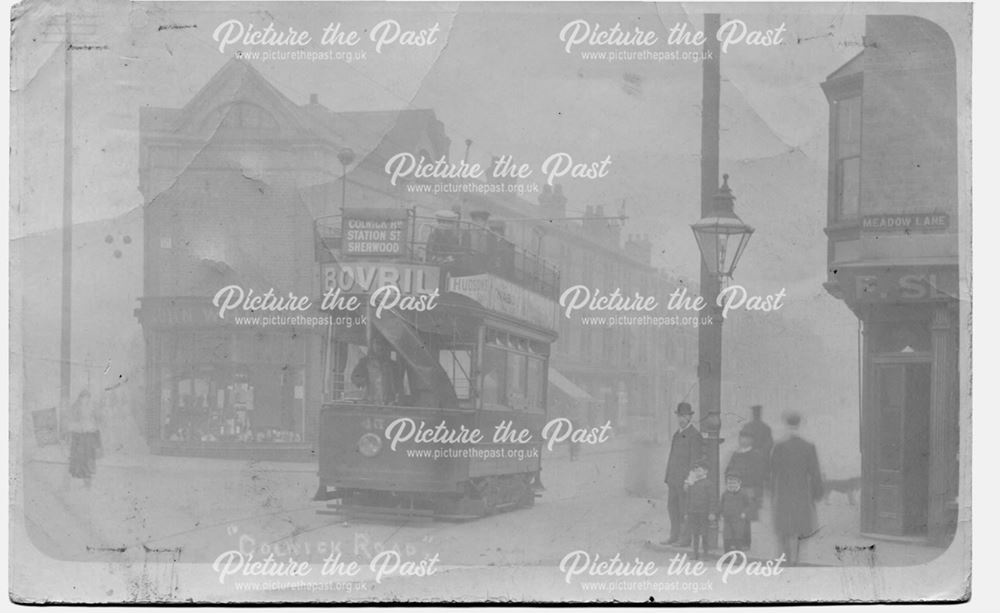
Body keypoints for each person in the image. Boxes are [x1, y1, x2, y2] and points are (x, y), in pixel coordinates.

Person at [770, 411, 824, 565]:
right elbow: (815, 472)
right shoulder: (808, 446)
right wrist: (817, 493)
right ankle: (797, 559)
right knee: (800, 527)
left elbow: (773, 471)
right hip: (801, 492)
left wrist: (773, 492)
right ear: (799, 425)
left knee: (785, 528)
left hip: (784, 492)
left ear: (787, 425)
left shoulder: (779, 446)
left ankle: (786, 558)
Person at [662, 402, 704, 546]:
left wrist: (689, 480)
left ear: (690, 417)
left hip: (685, 482)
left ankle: (685, 539)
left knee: (684, 510)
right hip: (673, 480)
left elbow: (695, 461)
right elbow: (672, 457)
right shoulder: (676, 434)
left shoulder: (695, 435)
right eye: (679, 416)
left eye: (684, 416)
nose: (681, 419)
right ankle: (674, 536)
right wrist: (667, 477)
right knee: (672, 508)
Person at [725, 427, 767, 518]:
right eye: (741, 438)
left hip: (749, 491)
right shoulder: (735, 455)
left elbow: (759, 476)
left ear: (751, 440)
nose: (743, 440)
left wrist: (757, 495)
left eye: (746, 438)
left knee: (748, 518)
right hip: (735, 490)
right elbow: (728, 471)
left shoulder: (756, 455)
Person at [66, 389, 101, 488]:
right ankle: (77, 481)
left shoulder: (92, 408)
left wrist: (92, 425)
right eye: (83, 397)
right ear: (80, 398)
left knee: (88, 458)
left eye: (87, 398)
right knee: (78, 459)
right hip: (78, 436)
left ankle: (88, 482)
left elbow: (96, 420)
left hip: (88, 436)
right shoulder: (75, 407)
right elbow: (71, 419)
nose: (85, 400)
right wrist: (76, 426)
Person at [350, 335, 398, 405]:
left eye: (383, 344)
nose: (380, 347)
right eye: (377, 343)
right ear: (372, 345)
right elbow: (355, 377)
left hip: (388, 403)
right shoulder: (365, 362)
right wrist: (363, 381)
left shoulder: (392, 365)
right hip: (370, 402)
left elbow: (398, 385)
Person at [684, 459, 712, 560]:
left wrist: (712, 512)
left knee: (704, 533)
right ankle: (695, 553)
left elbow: (712, 499)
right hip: (693, 512)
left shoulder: (708, 484)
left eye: (699, 470)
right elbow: (688, 498)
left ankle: (705, 553)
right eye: (696, 471)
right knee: (695, 533)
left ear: (706, 471)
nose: (697, 473)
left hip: (704, 512)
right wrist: (687, 512)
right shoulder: (692, 483)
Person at [718, 472, 753, 554]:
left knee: (738, 538)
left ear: (739, 483)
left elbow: (748, 506)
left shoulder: (743, 494)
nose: (731, 485)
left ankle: (738, 557)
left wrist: (744, 512)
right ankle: (727, 557)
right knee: (727, 538)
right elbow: (721, 505)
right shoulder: (725, 494)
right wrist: (720, 513)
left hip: (738, 520)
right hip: (727, 519)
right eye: (729, 483)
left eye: (734, 483)